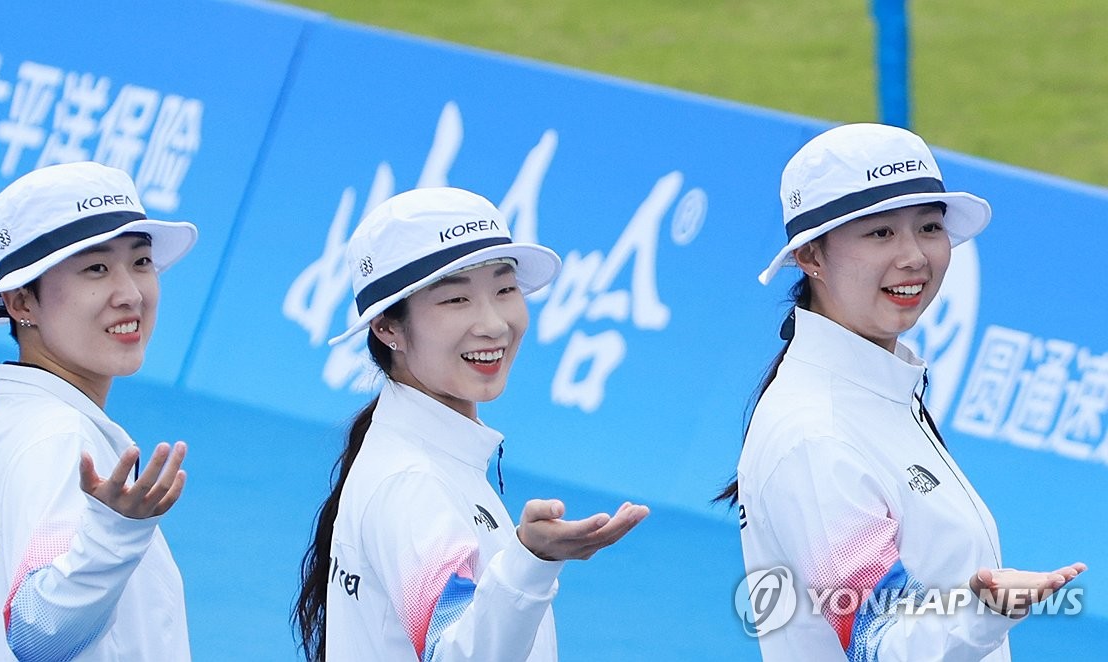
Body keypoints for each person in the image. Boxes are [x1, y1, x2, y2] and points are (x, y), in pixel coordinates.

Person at [719, 123, 1086, 660]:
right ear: (811, 258)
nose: (914, 257)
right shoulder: (816, 434)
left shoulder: (876, 385)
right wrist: (985, 613)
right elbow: (879, 643)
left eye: (929, 228)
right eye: (880, 233)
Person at [294, 187, 650, 661]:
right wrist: (531, 562)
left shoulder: (414, 453)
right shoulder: (413, 481)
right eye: (456, 299)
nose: (494, 324)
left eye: (504, 290)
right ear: (387, 328)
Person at [0, 161, 198, 661]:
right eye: (95, 268)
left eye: (141, 262)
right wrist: (116, 534)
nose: (130, 294)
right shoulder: (58, 440)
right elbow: (39, 633)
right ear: (20, 303)